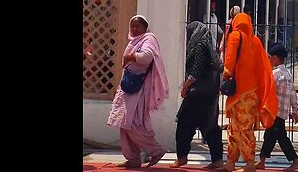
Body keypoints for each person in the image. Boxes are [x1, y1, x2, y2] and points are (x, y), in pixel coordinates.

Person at [107, 14, 170, 169]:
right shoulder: (134, 41)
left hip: (138, 90)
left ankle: (156, 150)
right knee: (123, 123)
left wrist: (131, 56)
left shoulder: (149, 39)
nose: (134, 29)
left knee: (132, 124)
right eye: (132, 26)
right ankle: (133, 158)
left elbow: (146, 57)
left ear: (145, 27)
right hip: (128, 87)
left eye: (138, 26)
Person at [221, 12, 278, 172]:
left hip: (239, 93)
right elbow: (263, 67)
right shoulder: (256, 41)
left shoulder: (234, 37)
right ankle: (236, 162)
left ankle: (244, 163)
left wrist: (226, 75)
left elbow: (228, 65)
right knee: (245, 128)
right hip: (252, 94)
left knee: (235, 129)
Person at [171, 21, 225, 170]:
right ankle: (217, 160)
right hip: (209, 94)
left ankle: (182, 157)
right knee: (209, 126)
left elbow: (196, 71)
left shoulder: (200, 46)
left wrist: (185, 87)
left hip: (197, 94)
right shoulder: (209, 47)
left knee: (184, 123)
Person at [257, 43, 298, 171]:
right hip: (281, 112)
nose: (269, 59)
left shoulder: (276, 73)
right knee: (269, 136)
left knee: (281, 138)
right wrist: (295, 110)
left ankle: (295, 161)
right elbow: (293, 94)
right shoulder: (287, 74)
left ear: (276, 58)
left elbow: (266, 88)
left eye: (270, 57)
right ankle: (262, 161)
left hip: (275, 111)